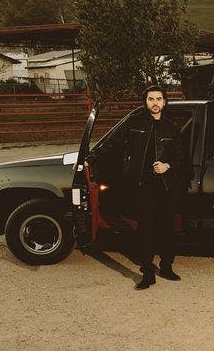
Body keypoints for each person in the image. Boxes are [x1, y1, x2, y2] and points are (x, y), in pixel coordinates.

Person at [87, 85, 186, 290]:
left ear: (165, 102)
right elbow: (111, 142)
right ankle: (147, 273)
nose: (155, 103)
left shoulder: (172, 128)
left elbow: (182, 158)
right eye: (151, 99)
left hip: (166, 186)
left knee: (166, 229)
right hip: (142, 186)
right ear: (145, 101)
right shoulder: (134, 123)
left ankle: (166, 267)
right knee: (145, 230)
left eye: (159, 99)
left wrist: (167, 166)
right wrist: (89, 159)